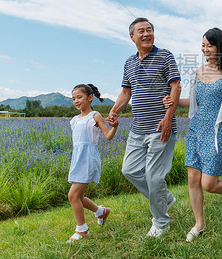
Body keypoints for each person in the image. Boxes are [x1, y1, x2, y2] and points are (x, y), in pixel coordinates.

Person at [163, 28, 222, 243]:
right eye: (203, 45)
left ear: (220, 46)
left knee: (209, 183)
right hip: (196, 128)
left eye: (209, 45)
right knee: (193, 178)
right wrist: (174, 102)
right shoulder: (197, 72)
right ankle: (199, 224)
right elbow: (193, 102)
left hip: (217, 129)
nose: (205, 49)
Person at [107, 17, 181, 238]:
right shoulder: (129, 63)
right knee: (129, 170)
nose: (147, 34)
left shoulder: (164, 55)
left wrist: (168, 118)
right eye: (141, 31)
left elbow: (175, 86)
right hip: (137, 129)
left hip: (160, 126)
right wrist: (114, 110)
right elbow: (126, 92)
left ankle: (161, 222)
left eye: (150, 30)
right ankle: (164, 198)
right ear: (132, 37)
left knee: (154, 177)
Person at [66, 83, 118, 243]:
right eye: (73, 98)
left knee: (72, 195)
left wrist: (114, 127)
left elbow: (108, 135)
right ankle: (101, 211)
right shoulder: (74, 120)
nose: (76, 101)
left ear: (90, 98)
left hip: (89, 159)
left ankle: (82, 230)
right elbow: (76, 144)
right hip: (77, 159)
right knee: (79, 196)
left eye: (79, 97)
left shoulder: (94, 116)